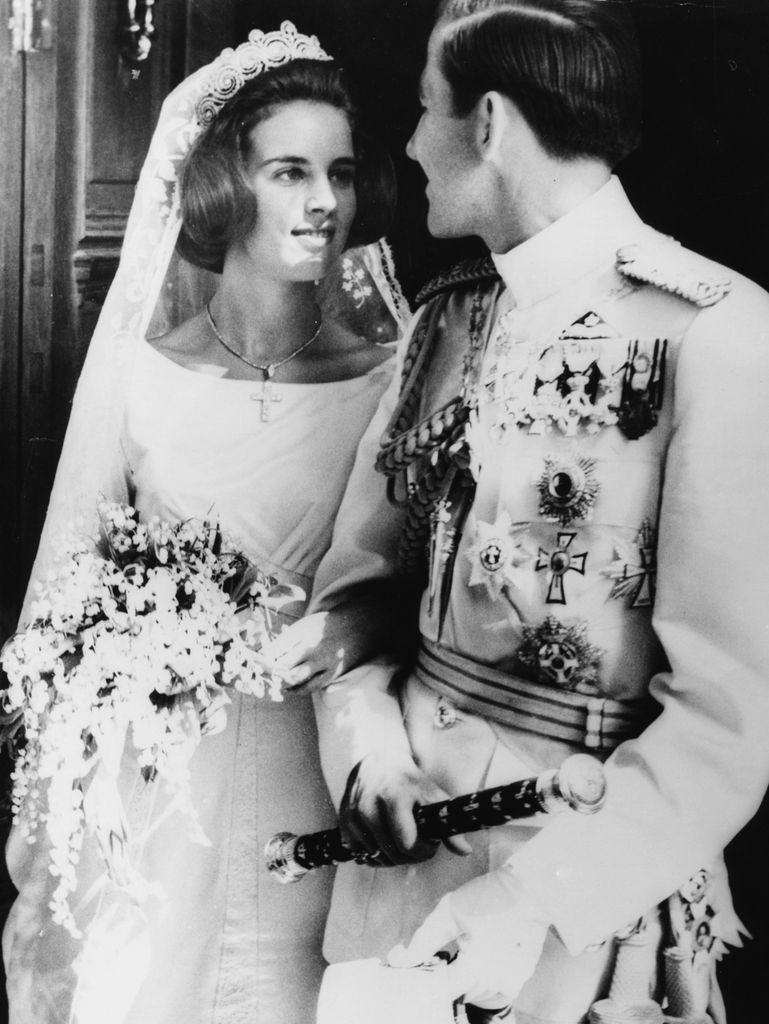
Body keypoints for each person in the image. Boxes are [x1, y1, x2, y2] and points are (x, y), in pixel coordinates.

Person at [306, 1, 769, 1022]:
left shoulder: (718, 337)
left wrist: (527, 899)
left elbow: (731, 720)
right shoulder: (449, 317)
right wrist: (366, 753)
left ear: (489, 126)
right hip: (387, 908)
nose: (414, 144)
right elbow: (355, 600)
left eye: (427, 110)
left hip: (575, 930)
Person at [2, 22, 410, 1024]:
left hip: (329, 770)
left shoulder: (390, 374)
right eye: (289, 172)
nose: (324, 201)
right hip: (165, 789)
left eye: (342, 173)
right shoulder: (144, 377)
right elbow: (66, 602)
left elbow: (413, 590)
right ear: (226, 188)